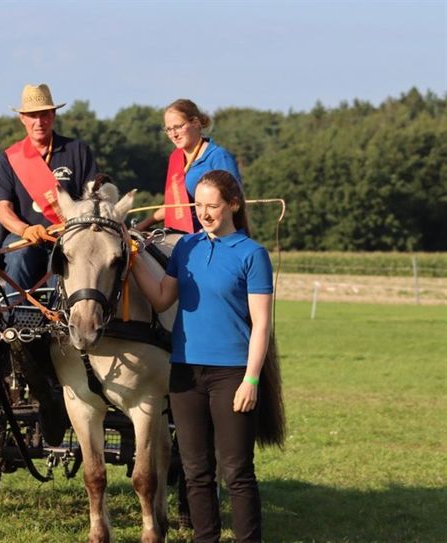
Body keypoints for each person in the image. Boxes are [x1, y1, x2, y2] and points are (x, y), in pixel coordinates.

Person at [131, 170, 284, 542]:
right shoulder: (186, 247)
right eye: (198, 205)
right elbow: (163, 298)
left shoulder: (252, 254)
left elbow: (262, 324)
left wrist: (251, 379)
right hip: (184, 373)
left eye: (212, 205)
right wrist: (132, 257)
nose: (204, 212)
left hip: (232, 375)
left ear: (233, 204)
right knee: (196, 471)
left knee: (236, 471)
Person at [0, 83, 97, 295]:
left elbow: (93, 198)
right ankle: (18, 318)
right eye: (32, 116)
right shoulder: (9, 158)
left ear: (53, 115)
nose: (39, 122)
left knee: (62, 258)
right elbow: (3, 209)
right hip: (25, 236)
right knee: (18, 254)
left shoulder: (77, 150)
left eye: (44, 115)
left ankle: (60, 320)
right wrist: (25, 230)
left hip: (69, 234)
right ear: (22, 118)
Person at [136, 99, 241, 234]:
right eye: (168, 129)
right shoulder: (176, 158)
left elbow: (235, 204)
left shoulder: (219, 157)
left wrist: (206, 232)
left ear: (196, 123)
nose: (174, 134)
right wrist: (142, 226)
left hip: (216, 237)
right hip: (183, 237)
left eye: (178, 127)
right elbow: (176, 207)